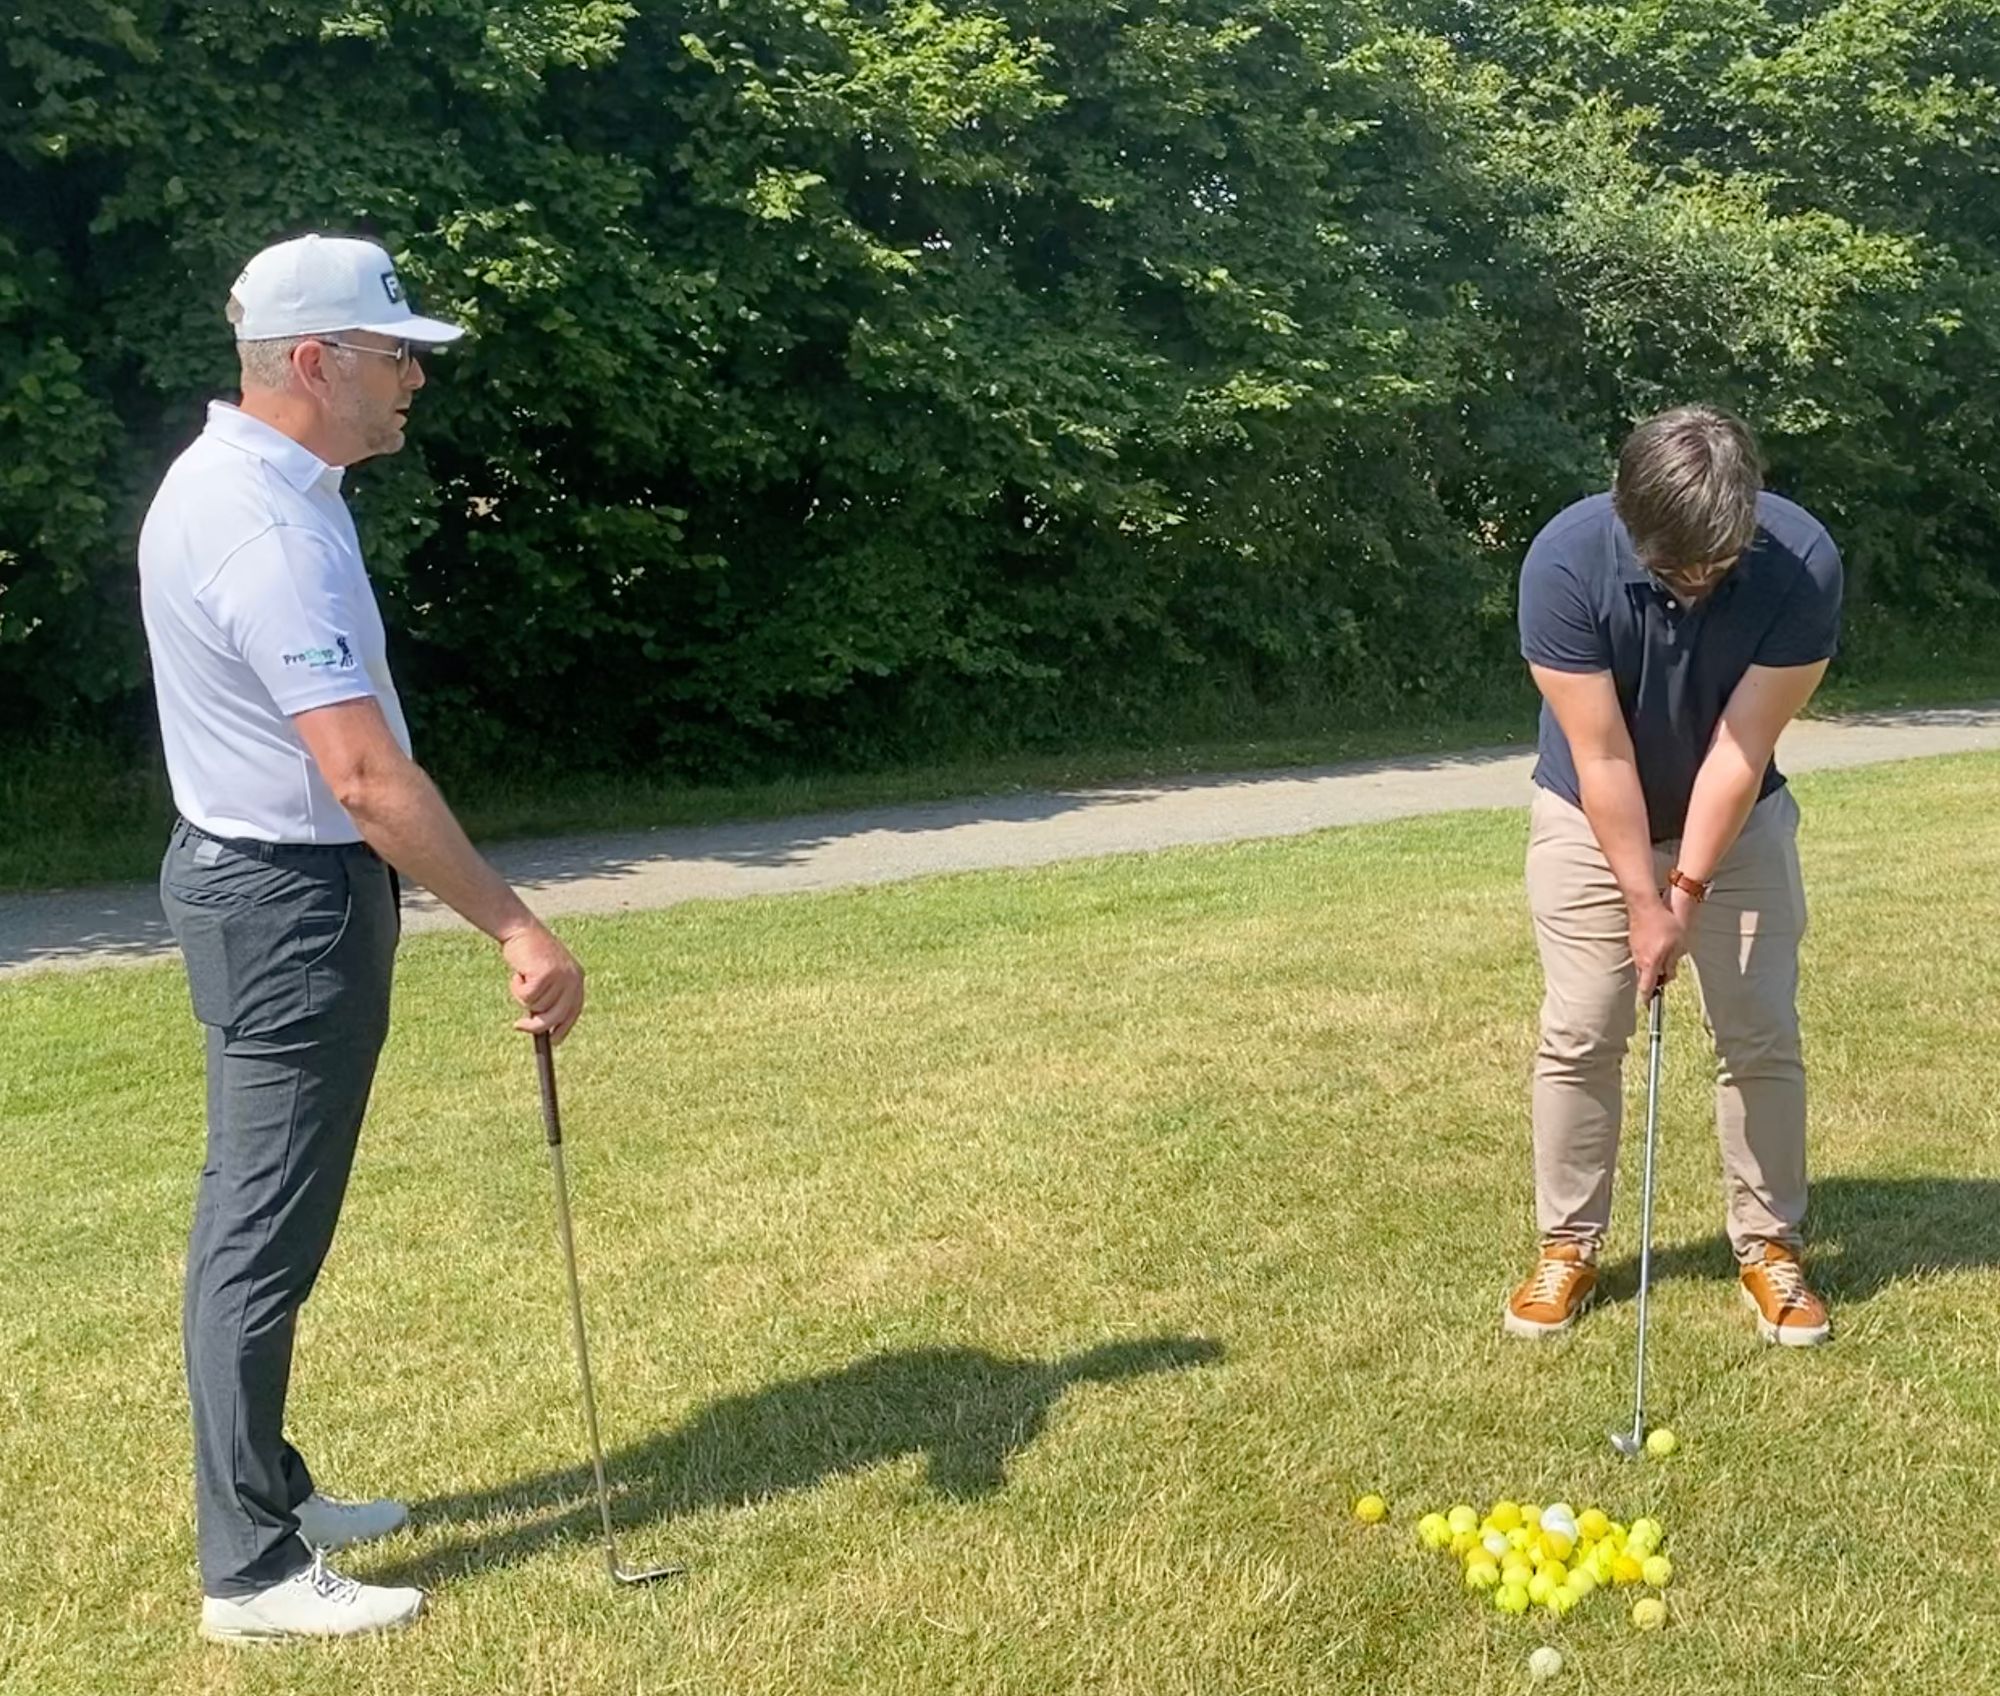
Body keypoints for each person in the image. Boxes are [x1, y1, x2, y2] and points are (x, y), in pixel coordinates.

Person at [139, 234, 586, 1642]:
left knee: (260, 1215)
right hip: (287, 897)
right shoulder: (264, 522)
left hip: (267, 886)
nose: (413, 383)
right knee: (259, 1228)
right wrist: (516, 926)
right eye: (397, 356)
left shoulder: (265, 487)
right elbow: (366, 777)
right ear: (316, 361)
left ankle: (264, 1486)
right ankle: (253, 1570)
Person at [1502, 404, 1841, 1349]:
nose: (1695, 585)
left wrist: (1682, 892)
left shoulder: (1801, 561)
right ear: (1629, 518)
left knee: (1760, 1028)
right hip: (1587, 810)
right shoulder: (1563, 563)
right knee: (1580, 1027)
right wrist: (1640, 902)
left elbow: (1741, 744)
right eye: (1673, 569)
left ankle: (1770, 1245)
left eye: (1715, 567)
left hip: (1739, 815)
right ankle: (1567, 1243)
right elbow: (1601, 754)